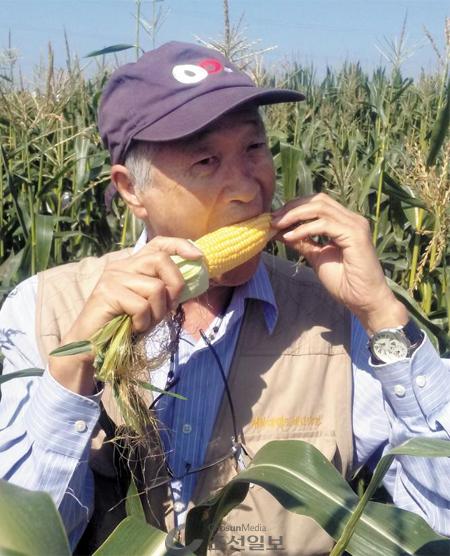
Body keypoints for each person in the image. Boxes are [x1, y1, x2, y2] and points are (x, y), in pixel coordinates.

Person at [1, 41, 450, 556]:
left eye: (255, 150)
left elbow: (437, 520)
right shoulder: (45, 310)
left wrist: (382, 315)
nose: (248, 188)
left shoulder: (335, 319)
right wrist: (76, 368)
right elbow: (22, 540)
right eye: (206, 160)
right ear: (130, 189)